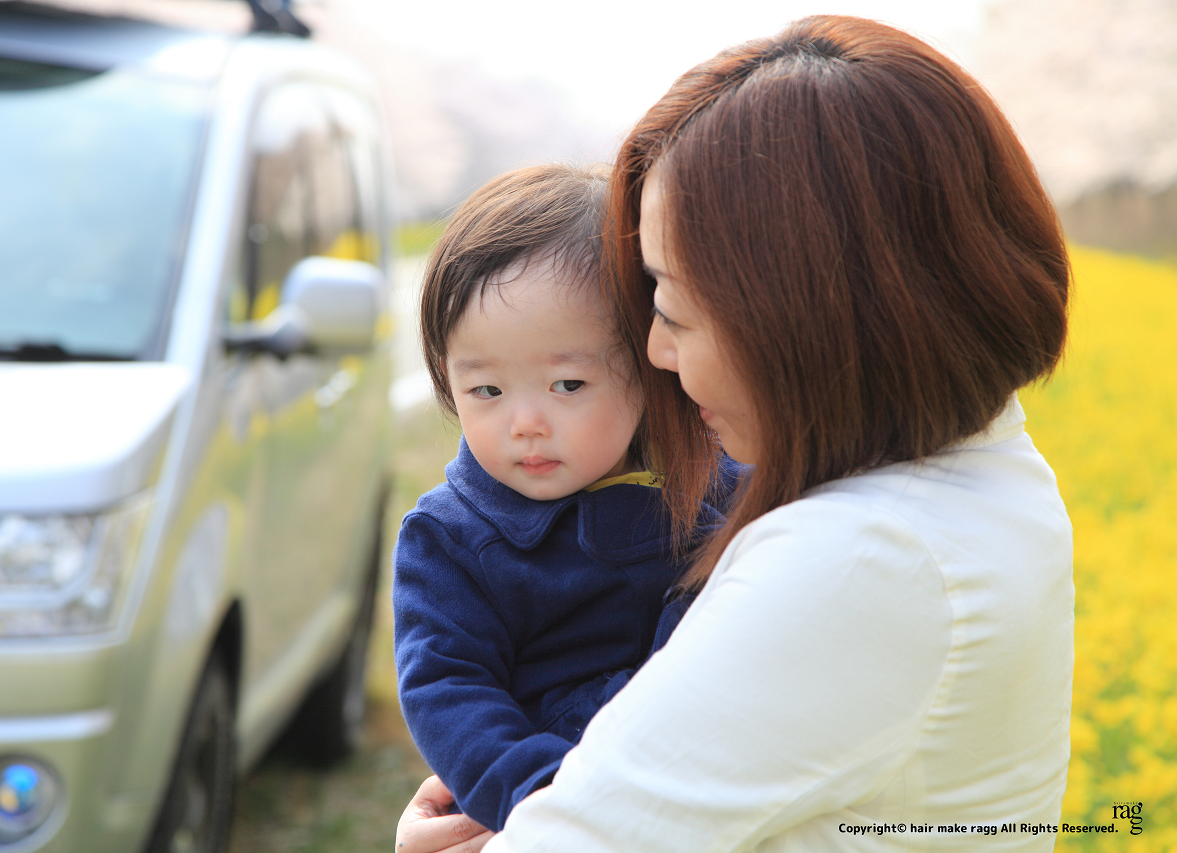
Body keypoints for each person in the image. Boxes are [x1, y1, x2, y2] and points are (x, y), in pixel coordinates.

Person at [396, 14, 1074, 853]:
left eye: (675, 310)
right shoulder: (984, 470)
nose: (656, 352)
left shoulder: (864, 558)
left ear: (798, 315)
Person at [393, 164, 740, 833]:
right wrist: (540, 796)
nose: (525, 423)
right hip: (550, 805)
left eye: (568, 385)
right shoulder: (452, 537)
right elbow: (447, 688)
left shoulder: (718, 480)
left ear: (647, 366)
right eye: (486, 391)